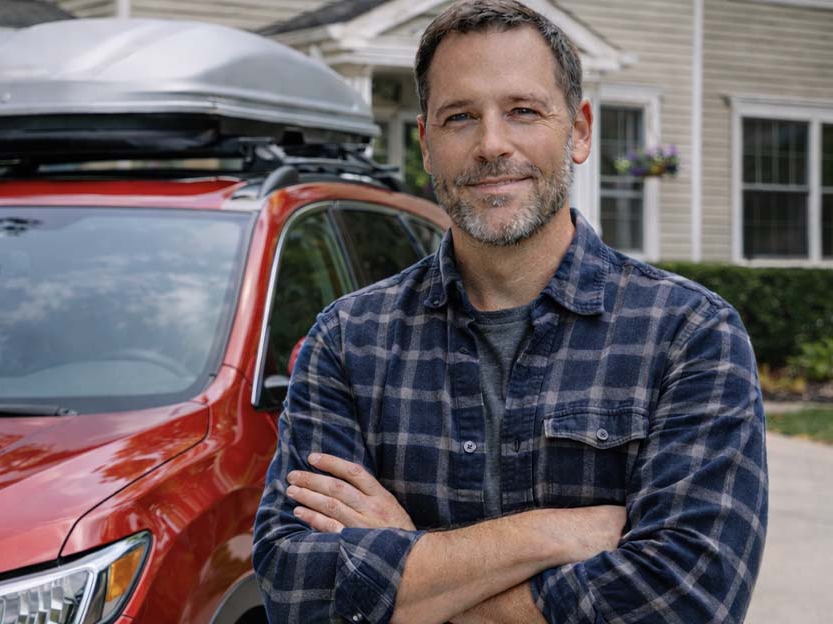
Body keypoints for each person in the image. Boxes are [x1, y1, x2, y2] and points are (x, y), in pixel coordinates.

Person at [250, 1, 768, 622]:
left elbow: (686, 599)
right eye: (460, 117)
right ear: (426, 143)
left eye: (523, 112)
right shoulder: (349, 341)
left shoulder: (689, 335)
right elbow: (294, 591)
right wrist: (547, 535)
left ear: (577, 131)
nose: (492, 145)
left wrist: (410, 567)